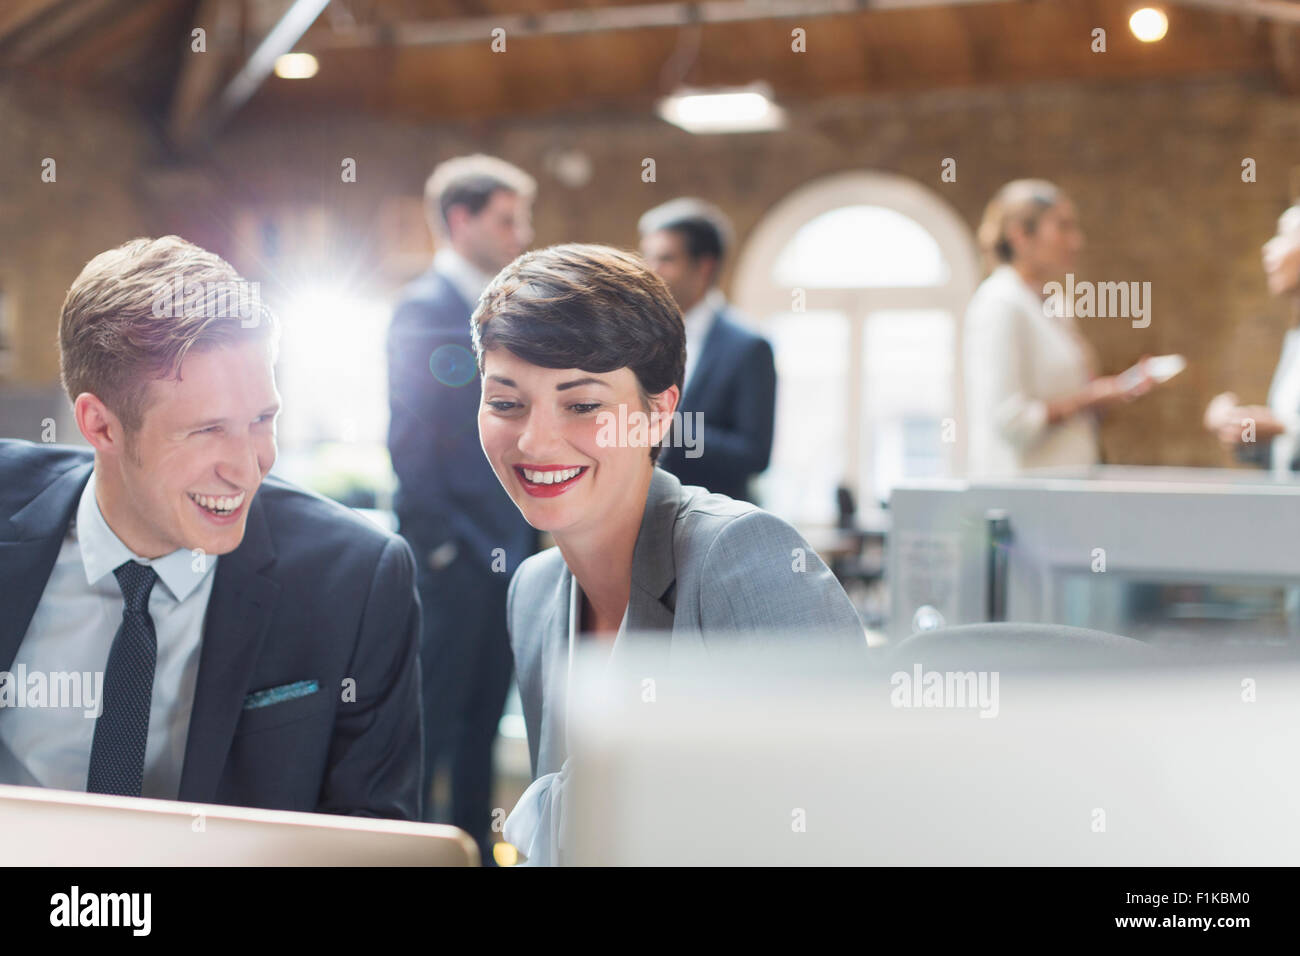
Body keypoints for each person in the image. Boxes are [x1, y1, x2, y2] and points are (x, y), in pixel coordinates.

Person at [470, 244, 865, 864]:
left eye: (582, 405)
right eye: (505, 401)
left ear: (658, 413)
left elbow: (850, 828)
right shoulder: (535, 590)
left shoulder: (740, 558)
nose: (535, 440)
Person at [0, 236, 420, 818]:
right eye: (206, 431)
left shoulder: (356, 581)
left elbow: (376, 846)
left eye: (262, 420)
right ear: (101, 426)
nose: (247, 467)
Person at [385, 154, 537, 856]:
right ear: (460, 219)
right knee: (434, 726)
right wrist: (445, 549)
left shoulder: (508, 312)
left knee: (482, 729)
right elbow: (411, 442)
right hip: (451, 564)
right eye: (508, 218)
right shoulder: (424, 310)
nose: (521, 233)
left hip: (509, 556)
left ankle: (475, 851)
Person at [963, 179, 1152, 477]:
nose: (1076, 241)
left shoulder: (1054, 303)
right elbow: (1012, 422)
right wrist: (1088, 399)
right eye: (1063, 227)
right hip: (1026, 492)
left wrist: (1109, 393)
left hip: (1070, 485)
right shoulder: (999, 303)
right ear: (1020, 235)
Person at [638, 198, 776, 502]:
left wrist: (669, 427)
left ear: (704, 266)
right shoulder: (639, 339)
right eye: (648, 258)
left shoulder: (749, 347)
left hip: (716, 521)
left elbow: (754, 454)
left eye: (665, 259)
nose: (650, 271)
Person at [1204, 204, 1300, 473]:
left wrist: (1283, 428)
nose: (1267, 248)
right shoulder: (1295, 339)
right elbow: (1286, 458)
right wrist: (1240, 429)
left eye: (1284, 236)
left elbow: (1288, 431)